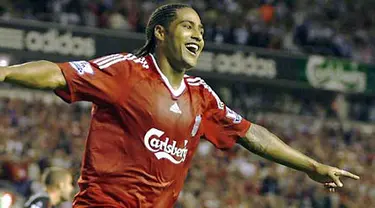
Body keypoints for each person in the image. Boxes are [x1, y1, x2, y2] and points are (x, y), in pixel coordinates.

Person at [0, 3, 359, 208]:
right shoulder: (127, 71)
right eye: (188, 27)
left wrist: (311, 165)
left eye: (201, 30)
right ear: (160, 32)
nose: (198, 36)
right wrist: (5, 75)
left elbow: (252, 135)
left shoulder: (201, 96)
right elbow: (58, 74)